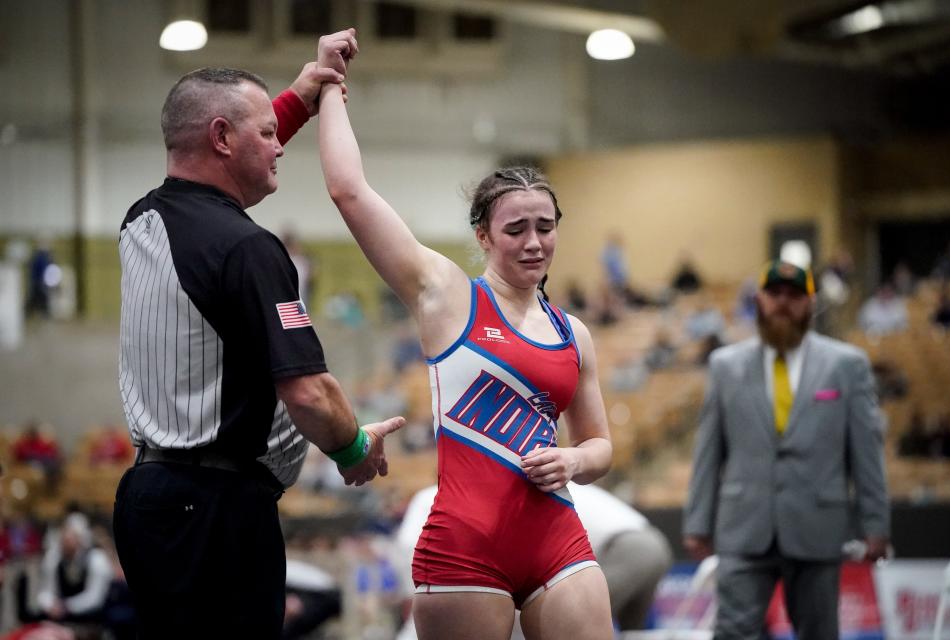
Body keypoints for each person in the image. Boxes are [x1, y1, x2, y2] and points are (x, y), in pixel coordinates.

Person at [315, 30, 614, 640]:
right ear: (483, 236)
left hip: (557, 540)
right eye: (516, 229)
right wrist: (328, 88)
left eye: (545, 226)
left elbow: (601, 444)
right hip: (464, 549)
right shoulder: (446, 296)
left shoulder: (572, 331)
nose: (534, 242)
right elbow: (349, 191)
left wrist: (575, 458)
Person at [112, 39, 404, 640]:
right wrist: (353, 449)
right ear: (221, 138)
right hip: (216, 510)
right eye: (268, 134)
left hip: (150, 499)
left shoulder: (141, 220)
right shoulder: (248, 248)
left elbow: (216, 156)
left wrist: (302, 95)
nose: (279, 146)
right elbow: (311, 395)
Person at [683, 259, 890, 640]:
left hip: (818, 529)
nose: (783, 302)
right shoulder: (725, 366)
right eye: (774, 293)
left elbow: (866, 452)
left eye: (794, 295)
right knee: (732, 632)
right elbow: (708, 451)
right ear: (759, 299)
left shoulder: (847, 366)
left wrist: (876, 524)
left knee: (819, 633)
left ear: (810, 302)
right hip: (743, 528)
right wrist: (698, 522)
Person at [393, 483, 671, 638]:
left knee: (568, 624)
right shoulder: (551, 486)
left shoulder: (531, 495)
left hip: (627, 549)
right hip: (656, 545)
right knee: (630, 633)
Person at [18, 513, 113, 626]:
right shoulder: (54, 558)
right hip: (60, 614)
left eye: (72, 537)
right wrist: (51, 605)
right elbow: (46, 591)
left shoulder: (96, 559)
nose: (66, 542)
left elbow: (94, 598)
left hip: (89, 617)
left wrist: (67, 606)